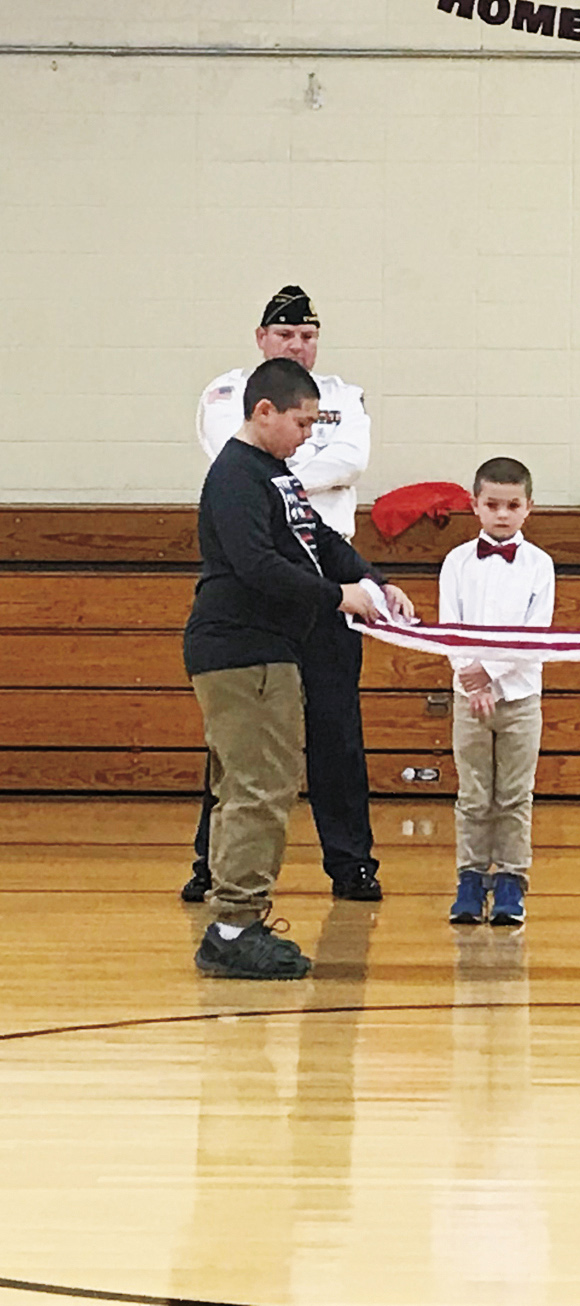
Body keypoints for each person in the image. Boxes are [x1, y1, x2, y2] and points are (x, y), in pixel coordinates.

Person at [185, 357, 415, 978]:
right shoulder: (236, 476)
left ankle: (239, 920)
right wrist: (341, 598)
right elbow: (258, 566)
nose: (308, 435)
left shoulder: (274, 474)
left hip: (268, 649)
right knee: (258, 788)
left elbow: (318, 540)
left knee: (260, 785)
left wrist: (372, 578)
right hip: (241, 649)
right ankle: (233, 925)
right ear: (263, 412)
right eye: (301, 421)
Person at [183, 285, 385, 902]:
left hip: (322, 588)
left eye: (309, 335)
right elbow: (260, 550)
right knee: (245, 761)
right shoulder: (237, 429)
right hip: (260, 615)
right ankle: (217, 880)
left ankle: (347, 864)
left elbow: (345, 472)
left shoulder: (333, 406)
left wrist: (371, 582)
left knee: (333, 733)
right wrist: (338, 592)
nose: (299, 344)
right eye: (286, 334)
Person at [438, 458, 554, 927]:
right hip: (469, 698)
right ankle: (470, 878)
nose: (502, 515)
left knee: (514, 794)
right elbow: (449, 627)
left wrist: (490, 674)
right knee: (473, 793)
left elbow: (536, 635)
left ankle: (511, 880)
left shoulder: (539, 565)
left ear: (529, 508)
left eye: (512, 505)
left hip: (520, 697)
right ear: (475, 506)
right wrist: (470, 675)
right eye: (492, 505)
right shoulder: (457, 562)